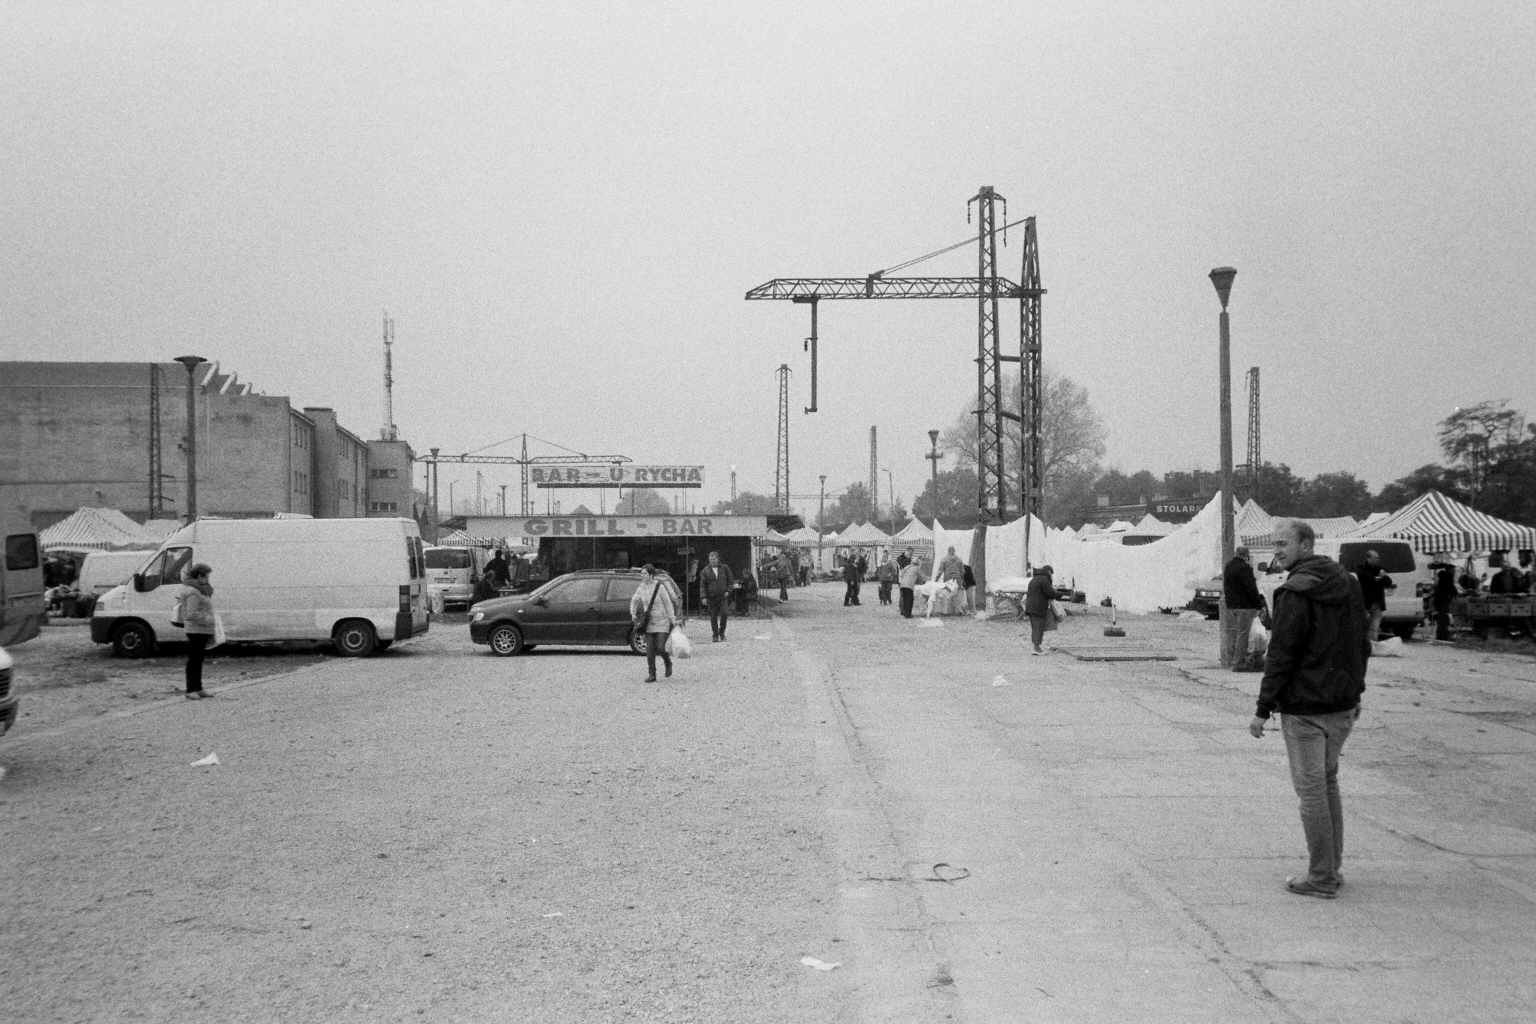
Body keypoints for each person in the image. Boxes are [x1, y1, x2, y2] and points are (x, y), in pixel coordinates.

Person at [1249, 519, 1370, 899]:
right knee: (1328, 783)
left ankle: (1320, 878)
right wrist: (1357, 691)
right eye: (1274, 545)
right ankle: (1331, 869)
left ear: (1306, 545)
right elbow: (1361, 643)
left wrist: (1262, 708)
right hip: (1341, 706)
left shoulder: (1294, 592)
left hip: (1305, 709)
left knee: (1313, 791)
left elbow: (1281, 656)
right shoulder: (1348, 583)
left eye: (1283, 544)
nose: (1276, 552)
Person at [629, 564, 677, 683]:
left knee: (661, 647)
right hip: (648, 622)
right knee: (649, 649)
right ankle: (652, 674)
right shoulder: (641, 587)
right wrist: (633, 613)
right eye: (641, 574)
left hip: (662, 621)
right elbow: (634, 600)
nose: (642, 576)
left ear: (651, 575)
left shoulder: (660, 587)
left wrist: (672, 618)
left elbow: (668, 603)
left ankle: (667, 662)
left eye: (644, 574)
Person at [177, 563, 217, 699]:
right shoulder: (193, 592)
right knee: (194, 659)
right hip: (196, 629)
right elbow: (191, 613)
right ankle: (190, 689)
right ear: (200, 576)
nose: (208, 579)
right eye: (206, 576)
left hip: (201, 629)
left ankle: (198, 687)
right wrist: (208, 619)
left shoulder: (199, 590)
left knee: (198, 659)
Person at [1223, 546, 1267, 669]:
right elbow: (1251, 588)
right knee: (1243, 635)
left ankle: (1233, 659)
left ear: (1236, 554)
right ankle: (1239, 663)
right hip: (1244, 606)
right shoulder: (1245, 568)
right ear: (1246, 556)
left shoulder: (1229, 566)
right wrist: (1259, 605)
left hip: (1232, 606)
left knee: (1235, 633)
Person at [1354, 549, 1393, 640]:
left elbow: (1389, 582)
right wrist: (1374, 578)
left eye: (1378, 558)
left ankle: (1372, 644)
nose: (1377, 560)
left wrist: (1383, 576)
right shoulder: (1361, 568)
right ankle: (1361, 644)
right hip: (1365, 601)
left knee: (1374, 626)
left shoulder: (1379, 569)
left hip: (1378, 602)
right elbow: (1362, 576)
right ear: (1368, 558)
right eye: (1375, 558)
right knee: (1361, 624)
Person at [698, 551, 735, 642]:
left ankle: (721, 632)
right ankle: (715, 635)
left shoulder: (725, 568)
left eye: (714, 559)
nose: (712, 561)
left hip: (723, 596)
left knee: (725, 613)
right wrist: (703, 597)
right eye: (710, 559)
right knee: (713, 616)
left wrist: (728, 591)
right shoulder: (705, 570)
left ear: (718, 559)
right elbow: (702, 585)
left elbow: (731, 581)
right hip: (711, 597)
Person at [1024, 564, 1054, 655]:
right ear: (1048, 572)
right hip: (1039, 607)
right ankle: (1036, 648)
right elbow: (1050, 593)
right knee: (1039, 627)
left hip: (1031, 606)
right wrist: (1056, 593)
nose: (1051, 575)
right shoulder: (1044, 579)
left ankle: (1036, 647)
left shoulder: (1035, 579)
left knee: (1035, 627)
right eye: (1051, 573)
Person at [1430, 559, 1458, 642]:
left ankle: (1441, 634)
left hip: (1439, 600)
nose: (1454, 572)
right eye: (1453, 570)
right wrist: (1456, 593)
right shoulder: (1448, 577)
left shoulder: (1442, 577)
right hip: (1443, 600)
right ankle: (1442, 635)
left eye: (1454, 570)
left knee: (1442, 618)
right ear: (1448, 570)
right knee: (1443, 618)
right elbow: (1451, 587)